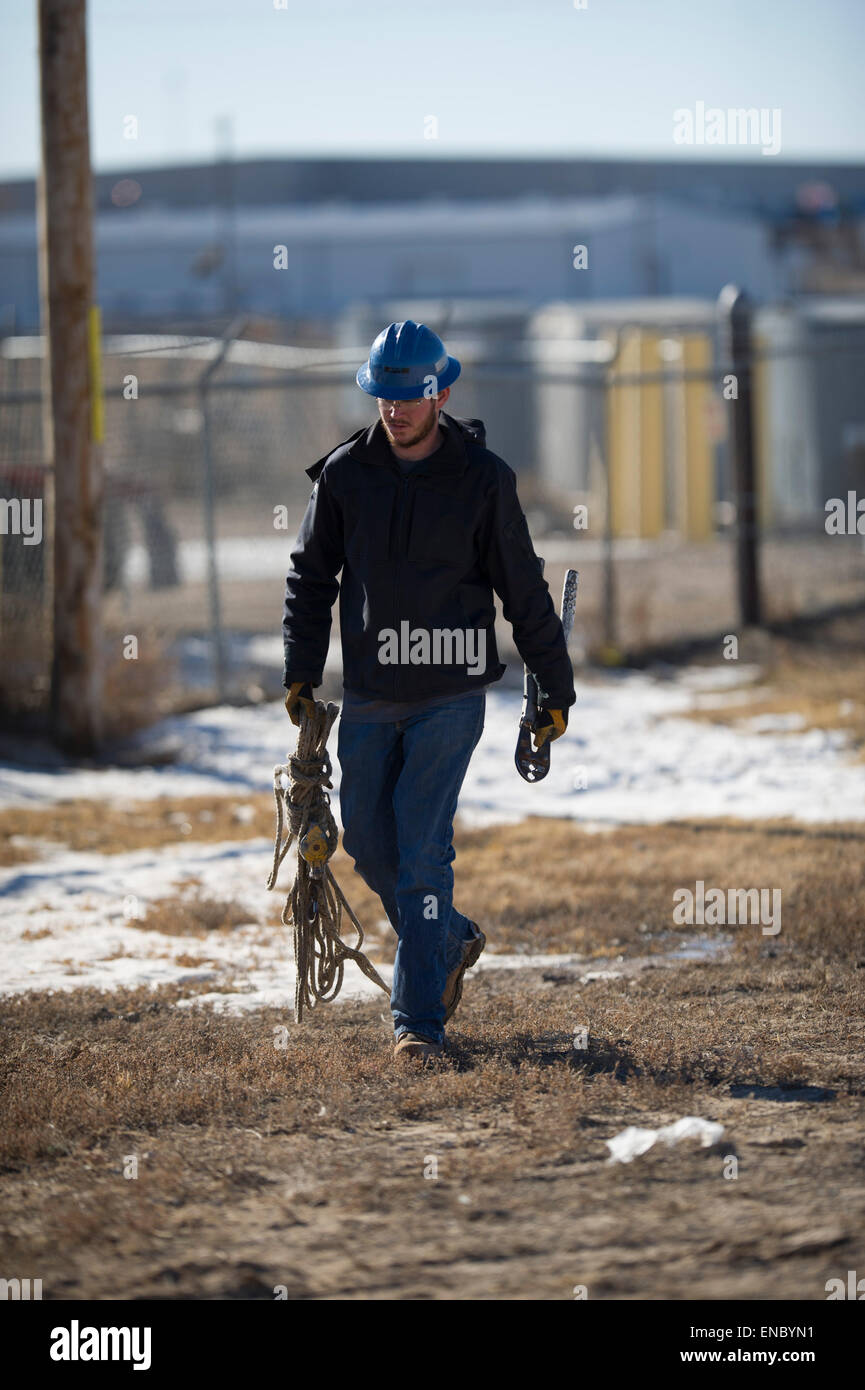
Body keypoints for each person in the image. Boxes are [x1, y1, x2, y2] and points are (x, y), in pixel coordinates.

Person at [282, 321, 575, 1062]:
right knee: (370, 846)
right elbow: (310, 580)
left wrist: (554, 688)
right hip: (373, 692)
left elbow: (523, 591)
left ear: (439, 393)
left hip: (450, 693)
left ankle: (417, 1024)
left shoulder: (484, 479)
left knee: (420, 851)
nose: (394, 410)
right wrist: (300, 671)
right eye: (383, 396)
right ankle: (445, 938)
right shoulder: (346, 475)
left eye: (408, 397)